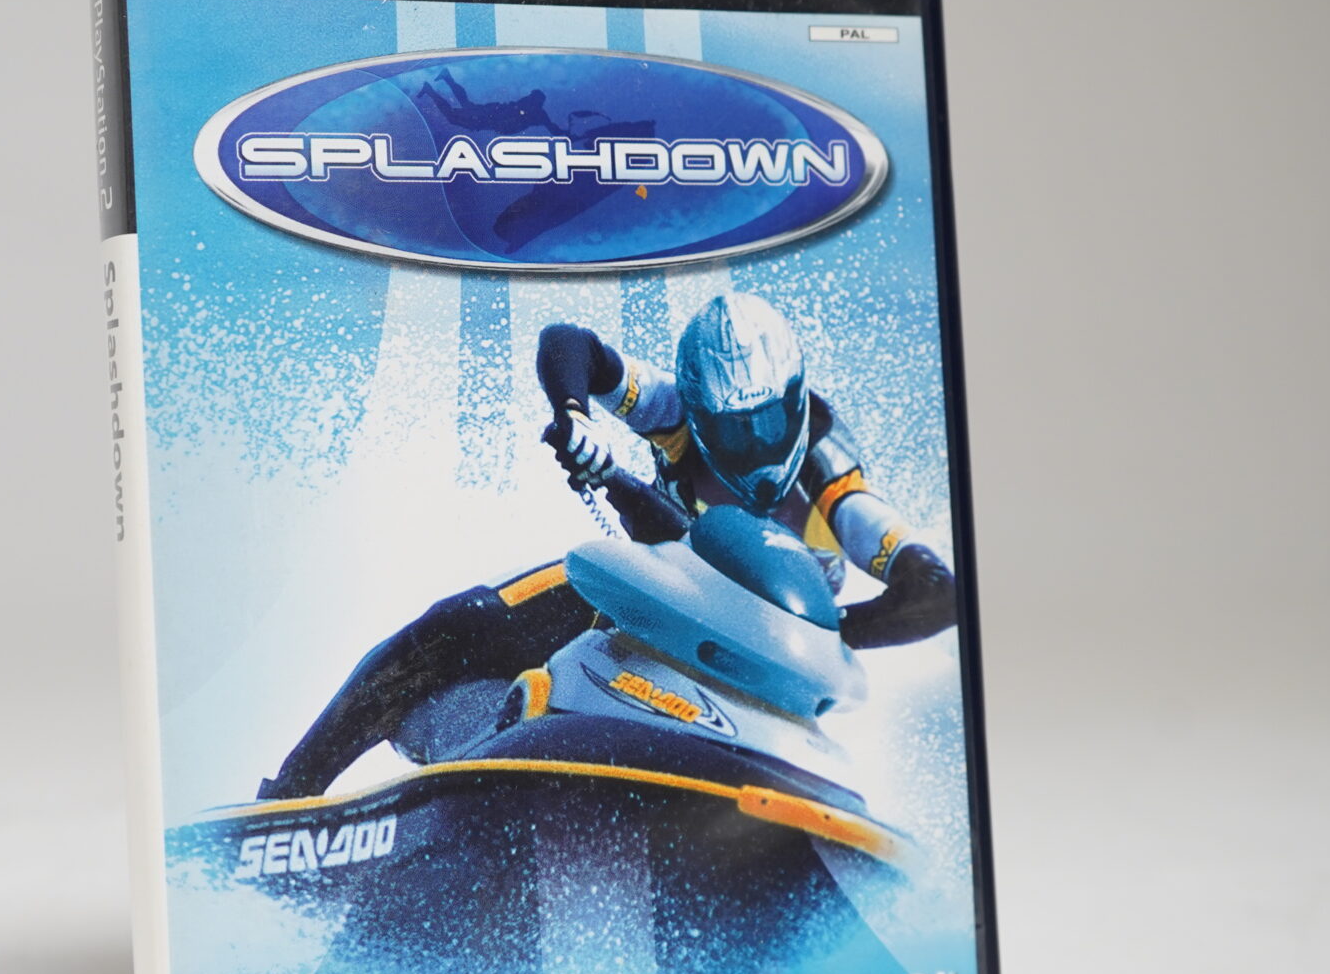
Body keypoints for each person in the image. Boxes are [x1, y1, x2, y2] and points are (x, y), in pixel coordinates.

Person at [255, 294, 957, 799]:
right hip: (664, 611)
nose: (753, 450)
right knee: (459, 624)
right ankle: (291, 796)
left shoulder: (835, 481)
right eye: (731, 429)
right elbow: (572, 346)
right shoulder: (677, 411)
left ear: (796, 400)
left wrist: (820, 636)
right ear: (701, 413)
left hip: (764, 672)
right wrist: (575, 417)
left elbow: (937, 593)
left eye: (766, 423)